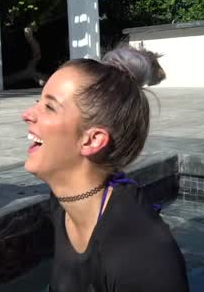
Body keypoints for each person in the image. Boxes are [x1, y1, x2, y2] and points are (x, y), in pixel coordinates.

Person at [21, 45, 189, 292]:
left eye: (50, 106)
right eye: (39, 101)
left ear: (92, 140)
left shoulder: (143, 256)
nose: (26, 114)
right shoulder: (64, 202)